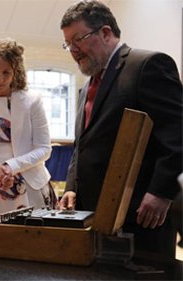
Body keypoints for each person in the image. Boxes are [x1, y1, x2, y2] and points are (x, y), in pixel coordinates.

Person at [58, 0, 182, 258]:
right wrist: (71, 187)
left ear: (105, 32)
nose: (73, 50)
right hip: (94, 215)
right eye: (68, 43)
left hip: (141, 216)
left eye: (78, 39)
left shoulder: (147, 65)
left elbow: (177, 133)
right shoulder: (86, 88)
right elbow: (82, 145)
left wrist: (161, 191)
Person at [0, 37, 56, 238]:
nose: (0, 78)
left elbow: (44, 148)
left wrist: (10, 167)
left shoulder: (33, 101)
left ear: (16, 72)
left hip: (30, 186)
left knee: (35, 247)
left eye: (6, 72)